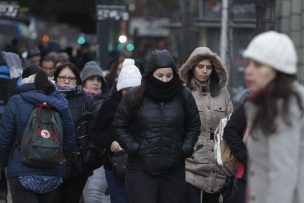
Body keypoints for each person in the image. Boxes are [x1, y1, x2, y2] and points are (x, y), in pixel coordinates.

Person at [112, 50, 201, 203]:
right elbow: (119, 126)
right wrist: (134, 147)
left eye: (169, 75)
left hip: (173, 169)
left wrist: (185, 148)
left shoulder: (183, 95)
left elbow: (193, 125)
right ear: (150, 74)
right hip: (141, 169)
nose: (165, 80)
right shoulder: (134, 95)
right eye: (160, 76)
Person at [243, 31, 304, 203]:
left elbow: (283, 173)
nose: (249, 71)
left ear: (278, 70)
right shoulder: (264, 102)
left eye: (259, 65)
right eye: (248, 64)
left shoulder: (287, 105)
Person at [0, 70, 75, 203]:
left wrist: (3, 164)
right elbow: (69, 139)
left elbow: (4, 139)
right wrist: (62, 160)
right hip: (52, 172)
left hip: (21, 170)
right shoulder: (61, 103)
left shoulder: (16, 101)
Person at [180, 47, 233, 203]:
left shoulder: (223, 93)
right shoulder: (183, 93)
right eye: (200, 66)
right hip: (190, 162)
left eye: (208, 67)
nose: (204, 71)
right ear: (192, 67)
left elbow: (229, 124)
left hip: (216, 162)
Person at [89, 58, 142, 203]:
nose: (131, 94)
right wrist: (110, 143)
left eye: (136, 90)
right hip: (116, 165)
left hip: (142, 165)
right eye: (127, 90)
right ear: (122, 89)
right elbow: (94, 132)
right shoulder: (110, 105)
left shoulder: (146, 105)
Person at [53, 62, 97, 203]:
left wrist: (90, 157)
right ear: (56, 78)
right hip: (51, 162)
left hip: (77, 165)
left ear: (77, 80)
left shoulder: (86, 100)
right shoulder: (48, 97)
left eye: (71, 78)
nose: (66, 81)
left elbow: (97, 128)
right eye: (62, 77)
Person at [80, 60, 110, 203]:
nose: (96, 82)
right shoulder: (76, 100)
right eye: (91, 79)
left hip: (97, 157)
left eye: (99, 80)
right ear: (83, 81)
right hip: (76, 157)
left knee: (93, 195)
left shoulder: (106, 102)